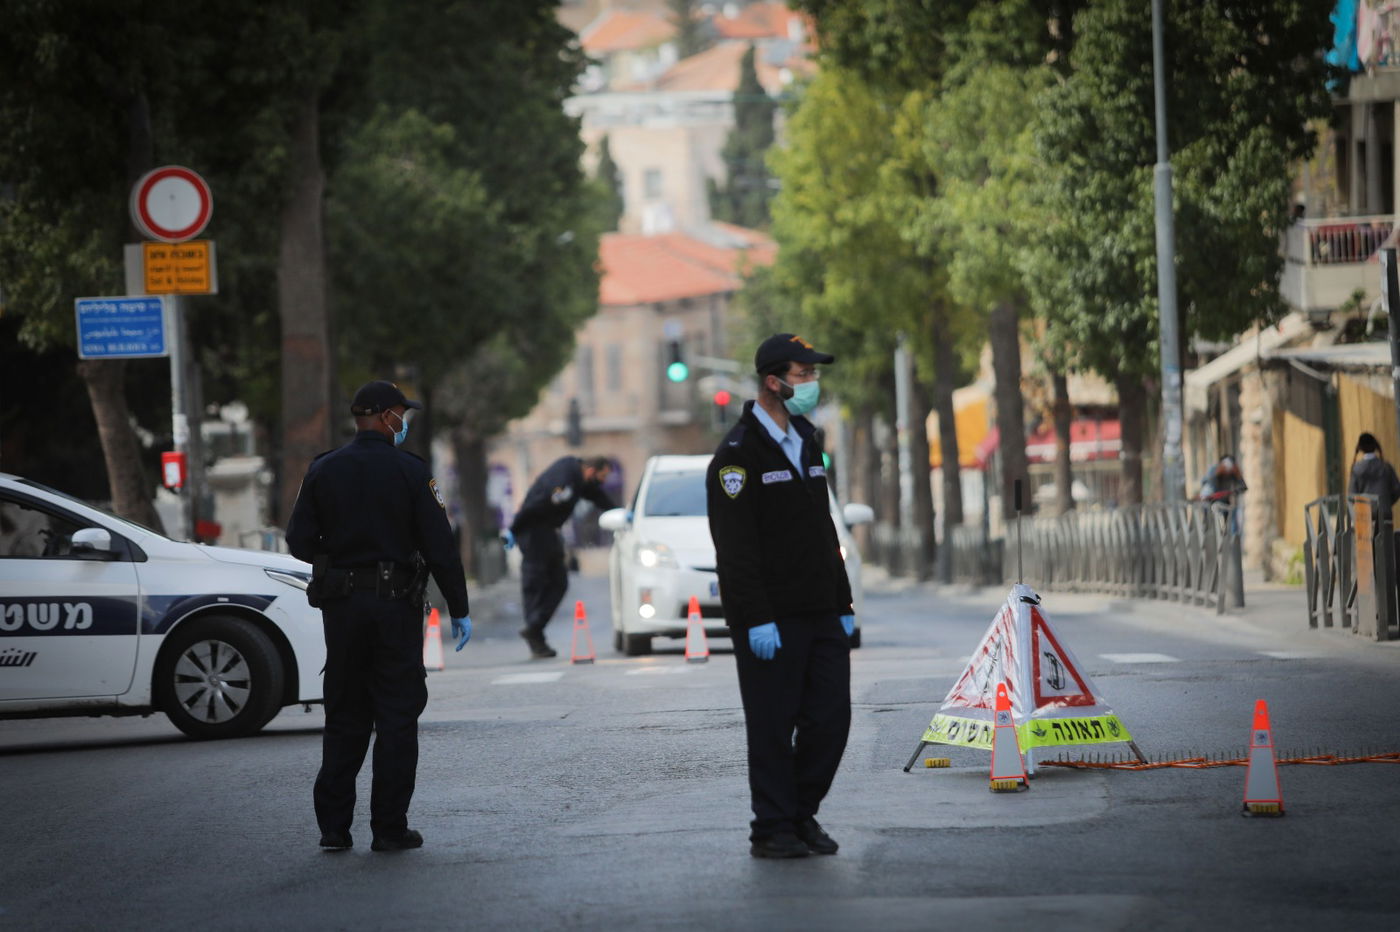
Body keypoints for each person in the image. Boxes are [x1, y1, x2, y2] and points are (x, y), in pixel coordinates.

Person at [286, 380, 472, 853]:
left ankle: (334, 828)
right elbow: (440, 546)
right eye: (401, 414)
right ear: (388, 416)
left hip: (343, 608)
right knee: (396, 714)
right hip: (394, 607)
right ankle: (389, 828)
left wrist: (339, 555)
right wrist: (459, 607)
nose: (404, 422)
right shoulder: (411, 471)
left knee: (345, 712)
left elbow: (298, 540)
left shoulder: (324, 469)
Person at [705, 333, 856, 860]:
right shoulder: (736, 455)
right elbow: (736, 550)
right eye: (804, 374)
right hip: (770, 620)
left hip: (821, 613)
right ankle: (771, 827)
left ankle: (800, 812)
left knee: (831, 721)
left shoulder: (808, 440)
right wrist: (755, 619)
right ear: (774, 381)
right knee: (772, 728)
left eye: (813, 373)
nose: (812, 382)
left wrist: (844, 605)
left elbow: (824, 530)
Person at [503, 455, 615, 658]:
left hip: (547, 532)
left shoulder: (580, 479)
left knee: (558, 582)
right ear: (591, 471)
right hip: (533, 531)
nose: (603, 481)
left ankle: (534, 629)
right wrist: (514, 528)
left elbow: (598, 496)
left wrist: (620, 513)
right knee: (534, 584)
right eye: (602, 476)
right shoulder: (565, 476)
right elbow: (536, 502)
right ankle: (535, 634)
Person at [1349, 432, 1400, 515]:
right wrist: (1386, 502)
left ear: (1360, 448)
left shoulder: (1356, 469)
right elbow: (1397, 489)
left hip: (1365, 517)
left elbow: (1352, 496)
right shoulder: (1386, 467)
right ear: (1375, 445)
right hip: (1385, 514)